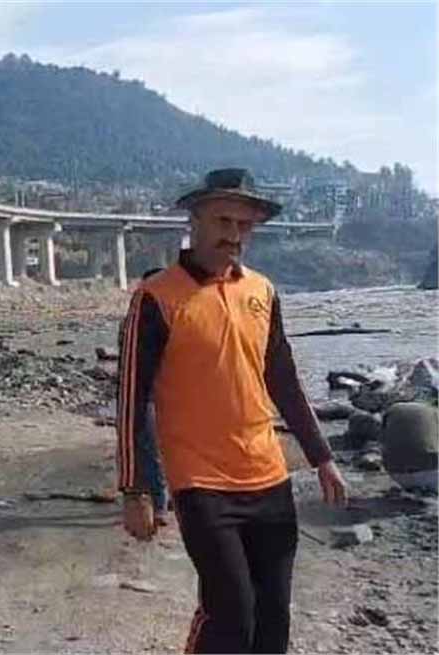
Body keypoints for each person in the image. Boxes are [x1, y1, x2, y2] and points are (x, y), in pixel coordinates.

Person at [116, 168, 348, 654]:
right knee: (230, 614)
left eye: (245, 225)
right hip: (201, 484)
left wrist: (322, 456)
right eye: (223, 221)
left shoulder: (262, 291)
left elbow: (284, 380)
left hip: (268, 476)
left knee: (273, 619)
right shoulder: (156, 297)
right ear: (195, 220)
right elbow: (133, 397)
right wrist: (137, 488)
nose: (234, 235)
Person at [115, 266, 169, 526]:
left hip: (167, 395)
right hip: (145, 395)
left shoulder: (170, 316)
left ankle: (164, 499)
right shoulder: (133, 321)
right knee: (148, 447)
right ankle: (158, 503)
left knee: (162, 449)